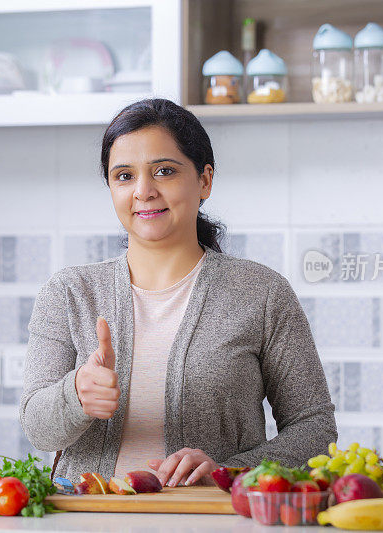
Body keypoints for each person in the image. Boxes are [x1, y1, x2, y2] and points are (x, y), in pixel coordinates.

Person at [20, 98, 336, 488]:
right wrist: (76, 395)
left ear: (204, 180)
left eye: (164, 171)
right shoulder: (68, 293)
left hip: (212, 520)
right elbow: (37, 428)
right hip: (88, 518)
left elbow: (315, 429)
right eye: (123, 176)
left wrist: (230, 471)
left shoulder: (262, 293)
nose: (143, 191)